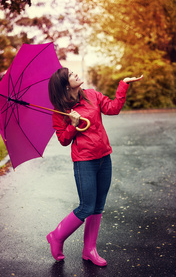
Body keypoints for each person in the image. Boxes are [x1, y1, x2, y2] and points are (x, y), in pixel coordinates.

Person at [47, 68, 143, 266]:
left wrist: (123, 84)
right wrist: (72, 124)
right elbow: (63, 140)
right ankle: (56, 236)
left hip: (104, 158)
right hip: (84, 162)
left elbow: (113, 108)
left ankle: (89, 250)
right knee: (86, 207)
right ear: (66, 85)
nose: (76, 75)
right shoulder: (60, 111)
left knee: (98, 206)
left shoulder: (91, 95)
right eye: (71, 75)